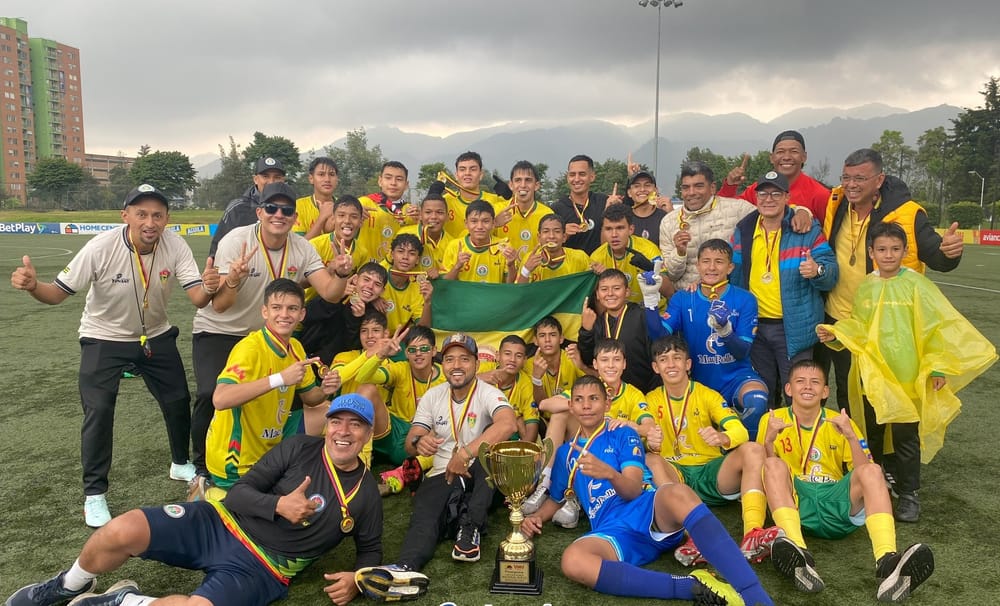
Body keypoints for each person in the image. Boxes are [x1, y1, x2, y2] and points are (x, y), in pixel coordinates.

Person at [5, 394, 422, 606]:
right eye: (338, 422)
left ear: (368, 435)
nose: (344, 432)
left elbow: (370, 549)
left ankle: (123, 600)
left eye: (356, 426)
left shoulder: (367, 493)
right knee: (122, 528)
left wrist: (355, 579)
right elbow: (240, 492)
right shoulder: (298, 448)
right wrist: (277, 506)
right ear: (327, 425)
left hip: (263, 569)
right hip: (219, 523)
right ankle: (67, 585)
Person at [10, 184, 219, 527]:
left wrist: (211, 286)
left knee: (179, 399)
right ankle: (94, 495)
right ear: (125, 216)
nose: (149, 222)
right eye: (141, 214)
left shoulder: (175, 244)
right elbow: (57, 294)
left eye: (157, 214)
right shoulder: (100, 247)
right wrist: (34, 286)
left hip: (155, 335)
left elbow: (198, 298)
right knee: (99, 410)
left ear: (166, 218)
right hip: (103, 337)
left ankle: (180, 462)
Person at [520, 375, 774, 606]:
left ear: (607, 404)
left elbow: (631, 490)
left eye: (594, 399)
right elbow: (557, 498)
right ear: (571, 407)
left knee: (677, 493)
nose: (586, 405)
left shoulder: (622, 434)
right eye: (579, 400)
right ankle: (691, 586)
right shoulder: (566, 452)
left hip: (647, 510)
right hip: (612, 530)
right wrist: (535, 518)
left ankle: (754, 596)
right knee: (573, 561)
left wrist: (608, 472)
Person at [817, 222, 995, 523]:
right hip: (873, 375)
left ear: (905, 251)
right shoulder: (867, 287)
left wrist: (937, 366)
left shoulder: (917, 285)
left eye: (895, 249)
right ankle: (872, 486)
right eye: (882, 250)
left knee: (905, 437)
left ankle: (909, 493)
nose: (888, 255)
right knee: (870, 432)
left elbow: (936, 328)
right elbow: (859, 326)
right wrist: (837, 333)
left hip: (908, 376)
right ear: (871, 252)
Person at [190, 182, 351, 495]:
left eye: (287, 210)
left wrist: (342, 274)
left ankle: (269, 455)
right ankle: (201, 469)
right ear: (260, 211)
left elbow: (330, 294)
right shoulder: (236, 240)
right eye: (273, 208)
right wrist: (233, 280)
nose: (280, 214)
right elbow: (220, 305)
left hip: (268, 333)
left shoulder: (301, 247)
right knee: (212, 394)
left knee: (273, 401)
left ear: (294, 217)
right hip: (221, 329)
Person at [816, 148, 965, 475]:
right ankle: (857, 460)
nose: (851, 185)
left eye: (860, 178)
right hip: (844, 322)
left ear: (879, 179)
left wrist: (949, 254)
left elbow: (934, 254)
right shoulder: (836, 201)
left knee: (892, 400)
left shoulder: (907, 213)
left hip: (889, 328)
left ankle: (896, 469)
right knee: (850, 393)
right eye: (846, 177)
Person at [757, 360, 935, 602]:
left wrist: (851, 437)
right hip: (798, 500)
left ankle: (887, 562)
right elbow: (765, 475)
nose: (807, 387)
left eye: (815, 382)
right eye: (800, 381)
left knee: (873, 471)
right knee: (772, 464)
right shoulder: (773, 419)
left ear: (825, 391)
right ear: (788, 389)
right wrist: (768, 443)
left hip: (835, 499)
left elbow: (864, 475)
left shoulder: (839, 421)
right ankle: (799, 554)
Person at [357, 334, 516, 583]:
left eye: (464, 359)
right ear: (443, 365)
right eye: (450, 359)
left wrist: (464, 454)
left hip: (480, 473)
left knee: (490, 461)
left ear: (476, 363)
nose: (456, 365)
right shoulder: (433, 395)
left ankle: (470, 528)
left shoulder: (488, 392)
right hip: (444, 473)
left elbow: (507, 424)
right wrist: (420, 442)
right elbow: (411, 442)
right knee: (425, 513)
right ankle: (405, 566)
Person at [642, 335, 779, 568]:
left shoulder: (707, 395)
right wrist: (650, 442)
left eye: (677, 358)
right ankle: (691, 537)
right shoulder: (651, 400)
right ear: (656, 367)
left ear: (688, 364)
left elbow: (740, 431)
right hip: (676, 474)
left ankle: (752, 534)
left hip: (711, 473)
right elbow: (643, 437)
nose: (671, 364)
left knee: (753, 449)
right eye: (664, 359)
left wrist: (722, 436)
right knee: (651, 459)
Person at [206, 278, 343, 494]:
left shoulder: (295, 348)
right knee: (270, 517)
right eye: (277, 308)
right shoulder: (249, 349)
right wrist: (280, 378)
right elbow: (220, 399)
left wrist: (326, 389)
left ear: (302, 314)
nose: (285, 315)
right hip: (235, 462)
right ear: (265, 312)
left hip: (268, 451)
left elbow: (310, 398)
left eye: (292, 308)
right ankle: (212, 495)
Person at [730, 171, 838, 406]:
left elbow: (830, 274)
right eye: (763, 193)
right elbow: (734, 275)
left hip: (793, 328)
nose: (768, 199)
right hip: (755, 327)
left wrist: (817, 271)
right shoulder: (744, 230)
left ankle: (801, 441)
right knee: (763, 394)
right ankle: (768, 442)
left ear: (787, 197)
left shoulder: (806, 230)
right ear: (755, 197)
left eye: (775, 194)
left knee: (798, 395)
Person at [643, 239, 769, 437]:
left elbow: (742, 351)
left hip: (737, 377)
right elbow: (659, 336)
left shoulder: (745, 299)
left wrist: (725, 330)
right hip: (699, 381)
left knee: (757, 399)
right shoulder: (684, 298)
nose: (711, 267)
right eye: (706, 261)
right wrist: (650, 300)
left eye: (719, 262)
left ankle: (746, 453)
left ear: (730, 267)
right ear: (698, 265)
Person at [660, 161, 813, 291]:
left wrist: (802, 211)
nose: (691, 192)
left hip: (730, 298)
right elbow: (672, 275)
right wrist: (680, 252)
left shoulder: (737, 209)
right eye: (686, 187)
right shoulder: (669, 222)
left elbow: (771, 210)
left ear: (712, 187)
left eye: (699, 186)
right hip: (690, 299)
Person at [354, 325, 445, 494]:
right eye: (412, 349)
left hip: (420, 440)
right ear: (406, 353)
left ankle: (401, 473)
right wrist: (381, 354)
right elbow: (362, 377)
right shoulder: (400, 369)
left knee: (448, 431)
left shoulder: (446, 378)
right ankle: (361, 470)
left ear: (434, 351)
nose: (418, 354)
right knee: (366, 389)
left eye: (424, 349)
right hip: (391, 431)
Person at [718, 130, 831, 220]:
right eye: (780, 152)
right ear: (772, 158)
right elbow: (725, 213)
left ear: (804, 157)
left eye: (794, 151)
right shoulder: (758, 189)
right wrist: (729, 186)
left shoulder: (820, 194)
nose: (786, 157)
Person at [579, 269, 656, 391]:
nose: (610, 293)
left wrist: (652, 391)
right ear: (598, 295)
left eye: (616, 288)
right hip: (610, 395)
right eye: (604, 289)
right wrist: (586, 330)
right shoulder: (597, 323)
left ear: (627, 292)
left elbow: (656, 356)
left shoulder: (642, 317)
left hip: (643, 392)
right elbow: (589, 359)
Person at [298, 262, 389, 365]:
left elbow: (353, 347)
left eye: (377, 284)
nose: (370, 286)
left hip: (335, 367)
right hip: (303, 353)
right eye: (366, 280)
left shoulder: (374, 313)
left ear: (382, 291)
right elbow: (305, 317)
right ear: (355, 279)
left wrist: (356, 319)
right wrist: (334, 298)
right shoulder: (336, 291)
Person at [588, 204, 669, 306]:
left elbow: (669, 291)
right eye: (608, 229)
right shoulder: (597, 257)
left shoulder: (648, 249)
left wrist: (651, 268)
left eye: (620, 228)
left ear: (631, 229)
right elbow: (596, 301)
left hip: (650, 310)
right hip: (619, 312)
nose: (614, 235)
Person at [209, 156, 286, 259]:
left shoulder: (291, 208)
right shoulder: (237, 208)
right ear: (255, 179)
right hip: (243, 270)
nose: (271, 181)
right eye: (265, 176)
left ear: (283, 180)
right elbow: (219, 246)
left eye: (277, 177)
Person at [550, 154, 625, 254]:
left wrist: (611, 211)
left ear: (592, 177)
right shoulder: (556, 209)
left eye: (582, 174)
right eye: (572, 175)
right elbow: (549, 246)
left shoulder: (604, 202)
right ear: (567, 177)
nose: (576, 179)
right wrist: (561, 234)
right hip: (572, 268)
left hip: (600, 266)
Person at [441, 200, 514, 283]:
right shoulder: (454, 246)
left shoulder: (503, 246)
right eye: (474, 221)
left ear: (493, 223)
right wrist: (457, 266)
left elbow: (509, 286)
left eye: (485, 221)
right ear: (466, 223)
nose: (480, 226)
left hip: (493, 296)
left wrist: (511, 265)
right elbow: (445, 283)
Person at [356, 161, 412, 263]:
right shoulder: (363, 203)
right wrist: (353, 214)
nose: (393, 183)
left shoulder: (410, 211)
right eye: (388, 178)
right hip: (364, 270)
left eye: (399, 179)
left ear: (406, 185)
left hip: (395, 273)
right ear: (380, 180)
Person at [442, 151, 507, 238]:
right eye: (462, 169)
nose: (467, 173)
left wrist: (510, 195)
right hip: (452, 251)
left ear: (481, 174)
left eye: (473, 169)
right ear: (456, 175)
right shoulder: (445, 202)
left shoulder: (495, 200)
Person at [513, 213, 592, 283]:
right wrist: (526, 270)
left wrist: (598, 271)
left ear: (564, 237)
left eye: (557, 231)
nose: (551, 236)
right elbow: (519, 293)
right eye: (546, 231)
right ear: (539, 237)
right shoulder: (529, 259)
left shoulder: (580, 258)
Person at [495, 160, 550, 259]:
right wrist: (494, 224)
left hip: (536, 272)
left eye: (528, 180)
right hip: (504, 272)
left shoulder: (547, 214)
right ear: (511, 185)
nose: (523, 185)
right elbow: (477, 239)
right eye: (518, 180)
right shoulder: (496, 210)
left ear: (536, 185)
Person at [395, 190, 453, 279]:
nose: (433, 217)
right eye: (428, 212)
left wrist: (439, 274)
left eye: (440, 212)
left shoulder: (452, 243)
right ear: (421, 215)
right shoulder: (404, 234)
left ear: (447, 216)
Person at [381, 233, 433, 332]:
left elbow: (423, 330)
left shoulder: (419, 288)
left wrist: (427, 302)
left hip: (398, 341)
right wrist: (373, 299)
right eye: (400, 251)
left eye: (412, 253)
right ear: (392, 255)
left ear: (417, 260)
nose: (405, 257)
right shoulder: (378, 276)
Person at [293, 156, 339, 239]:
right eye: (321, 174)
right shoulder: (298, 206)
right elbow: (299, 246)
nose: (327, 179)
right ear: (311, 178)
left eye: (332, 174)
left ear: (337, 179)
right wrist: (322, 218)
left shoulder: (343, 206)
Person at [625, 169, 671, 246]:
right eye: (637, 186)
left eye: (647, 185)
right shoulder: (624, 218)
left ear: (656, 190)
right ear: (629, 193)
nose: (642, 189)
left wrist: (671, 215)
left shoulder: (665, 218)